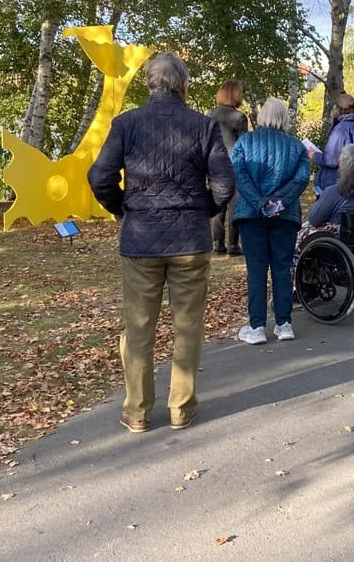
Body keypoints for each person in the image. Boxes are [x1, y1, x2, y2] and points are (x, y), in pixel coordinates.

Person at [89, 52, 234, 433]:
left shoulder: (126, 123)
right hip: (190, 239)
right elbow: (224, 184)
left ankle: (137, 411)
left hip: (141, 240)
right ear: (184, 86)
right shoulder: (203, 126)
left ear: (150, 85)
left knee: (138, 328)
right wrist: (203, 211)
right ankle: (180, 409)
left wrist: (123, 207)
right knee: (188, 326)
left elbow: (99, 175)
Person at [230, 98, 311, 345]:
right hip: (284, 216)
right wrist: (278, 203)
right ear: (284, 117)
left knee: (256, 271)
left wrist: (260, 203)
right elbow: (301, 179)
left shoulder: (245, 142)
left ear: (262, 115)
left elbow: (239, 175)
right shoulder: (296, 147)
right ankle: (284, 324)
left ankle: (256, 327)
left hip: (251, 215)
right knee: (281, 268)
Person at [207, 80, 249, 256]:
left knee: (218, 204)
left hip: (214, 163)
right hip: (234, 165)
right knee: (234, 206)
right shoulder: (239, 117)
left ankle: (218, 242)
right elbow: (243, 145)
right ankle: (233, 244)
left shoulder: (209, 114)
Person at [305, 144, 354, 234]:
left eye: (339, 162)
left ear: (344, 167)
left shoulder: (335, 192)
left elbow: (314, 219)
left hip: (337, 241)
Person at [311, 93, 354, 195]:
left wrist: (314, 155)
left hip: (335, 184)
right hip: (353, 182)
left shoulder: (340, 129)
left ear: (338, 109)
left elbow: (332, 160)